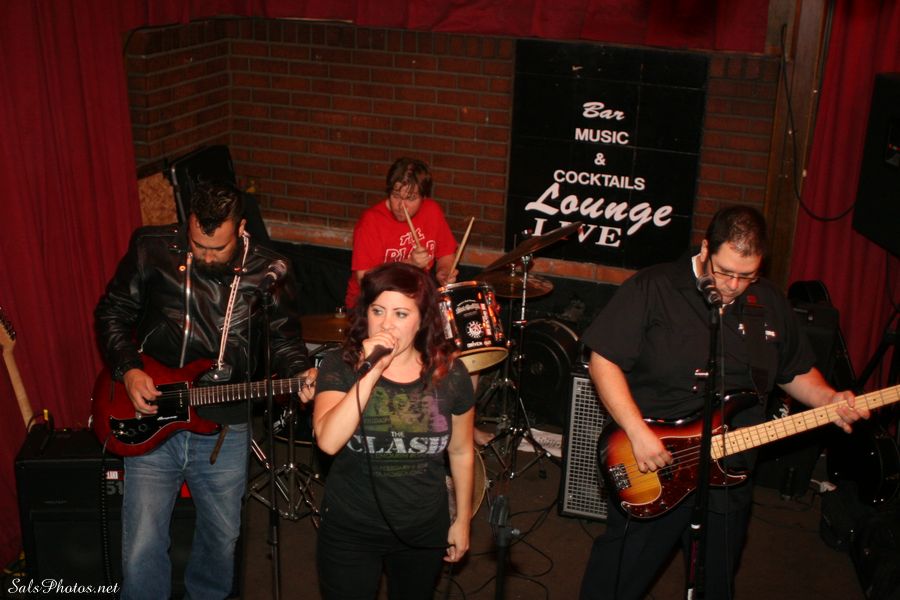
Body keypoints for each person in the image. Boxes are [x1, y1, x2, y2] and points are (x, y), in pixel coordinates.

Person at [578, 205, 868, 600]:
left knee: (715, 584)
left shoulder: (768, 303)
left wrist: (830, 398)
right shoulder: (655, 287)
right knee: (616, 581)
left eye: (746, 276)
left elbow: (795, 371)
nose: (733, 285)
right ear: (705, 250)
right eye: (724, 271)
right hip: (656, 463)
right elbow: (603, 359)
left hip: (731, 471)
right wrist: (637, 431)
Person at [95, 181, 316, 599]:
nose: (208, 256)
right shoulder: (151, 248)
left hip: (224, 427)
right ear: (188, 224)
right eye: (198, 245)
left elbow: (285, 341)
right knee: (142, 541)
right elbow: (112, 313)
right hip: (151, 410)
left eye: (219, 247)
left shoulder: (270, 271)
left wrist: (302, 372)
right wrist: (129, 369)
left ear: (241, 228)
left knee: (222, 538)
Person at [314, 262, 475, 600]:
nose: (386, 324)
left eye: (401, 314)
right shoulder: (340, 365)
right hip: (350, 528)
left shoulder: (450, 374)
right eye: (378, 311)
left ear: (422, 320)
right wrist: (372, 370)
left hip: (423, 526)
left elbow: (461, 451)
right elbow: (328, 441)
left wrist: (462, 520)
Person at [344, 157, 459, 309]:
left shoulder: (432, 211)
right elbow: (365, 281)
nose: (401, 206)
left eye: (411, 198)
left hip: (414, 301)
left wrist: (444, 271)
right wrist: (410, 264)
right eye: (396, 196)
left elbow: (446, 253)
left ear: (423, 197)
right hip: (371, 305)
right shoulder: (370, 222)